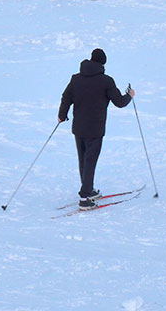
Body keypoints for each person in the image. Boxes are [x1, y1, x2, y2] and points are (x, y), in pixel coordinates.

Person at [58, 48, 135, 210]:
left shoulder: (76, 78)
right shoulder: (106, 81)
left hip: (78, 127)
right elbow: (120, 102)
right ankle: (85, 198)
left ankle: (89, 190)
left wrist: (62, 115)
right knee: (90, 161)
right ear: (103, 63)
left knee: (84, 159)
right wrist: (129, 95)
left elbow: (66, 97)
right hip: (95, 129)